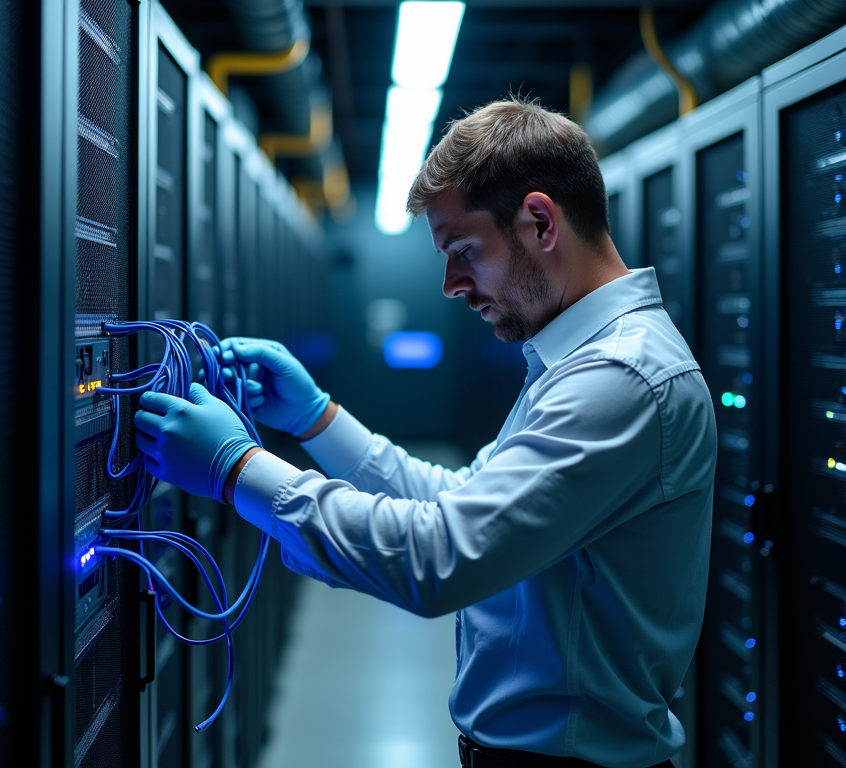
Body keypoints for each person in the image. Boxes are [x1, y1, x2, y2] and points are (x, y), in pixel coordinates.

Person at [133, 98, 717, 768]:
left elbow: (440, 558)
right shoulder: (578, 361)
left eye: (465, 251)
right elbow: (458, 503)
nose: (450, 285)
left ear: (540, 222)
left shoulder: (622, 379)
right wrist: (314, 418)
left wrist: (235, 468)